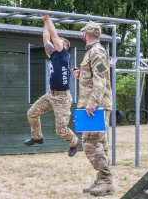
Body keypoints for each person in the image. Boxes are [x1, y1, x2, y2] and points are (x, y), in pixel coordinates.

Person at [23, 15, 81, 157]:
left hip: (62, 98)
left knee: (60, 130)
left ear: (64, 46)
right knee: (31, 113)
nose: (57, 42)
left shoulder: (64, 54)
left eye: (61, 42)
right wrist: (44, 23)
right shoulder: (54, 55)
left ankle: (74, 141)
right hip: (51, 95)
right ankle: (37, 137)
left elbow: (54, 35)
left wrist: (49, 20)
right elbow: (46, 39)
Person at [73, 21, 114, 196]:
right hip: (94, 104)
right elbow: (95, 77)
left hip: (94, 106)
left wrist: (92, 103)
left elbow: (101, 80)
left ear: (85, 34)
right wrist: (80, 75)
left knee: (91, 143)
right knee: (99, 143)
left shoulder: (96, 51)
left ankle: (105, 180)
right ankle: (102, 179)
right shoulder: (94, 51)